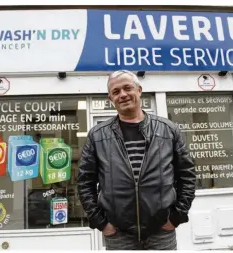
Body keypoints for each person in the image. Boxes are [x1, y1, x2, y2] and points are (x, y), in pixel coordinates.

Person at [77, 70, 196, 250]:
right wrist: (100, 222)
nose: (123, 95)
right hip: (118, 234)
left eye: (127, 88)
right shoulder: (97, 135)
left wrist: (177, 216)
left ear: (139, 90)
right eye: (116, 92)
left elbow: (187, 175)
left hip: (161, 232)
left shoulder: (168, 130)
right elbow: (85, 182)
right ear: (110, 99)